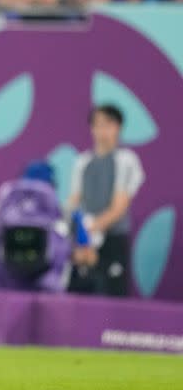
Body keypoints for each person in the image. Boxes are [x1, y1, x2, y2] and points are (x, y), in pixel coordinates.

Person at [67, 104, 145, 297]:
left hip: (112, 242)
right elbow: (74, 202)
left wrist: (92, 231)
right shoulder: (82, 162)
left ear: (118, 127)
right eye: (98, 124)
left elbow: (118, 208)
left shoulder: (126, 160)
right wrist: (80, 241)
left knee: (111, 299)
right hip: (83, 245)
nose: (102, 130)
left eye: (108, 124)